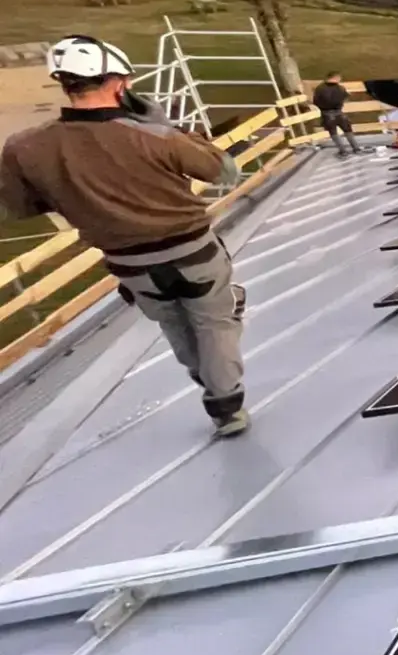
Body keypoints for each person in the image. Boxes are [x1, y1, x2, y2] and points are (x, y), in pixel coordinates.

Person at [0, 37, 251, 437]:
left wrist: (74, 192)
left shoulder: (24, 147)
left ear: (66, 83)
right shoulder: (154, 136)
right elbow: (224, 172)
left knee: (178, 331)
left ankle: (219, 396)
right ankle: (227, 406)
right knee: (214, 326)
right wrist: (168, 128)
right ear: (120, 84)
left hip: (132, 266)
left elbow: (19, 206)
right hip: (193, 253)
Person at [310, 71, 363, 155]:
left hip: (326, 113)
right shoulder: (340, 88)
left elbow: (315, 101)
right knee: (348, 130)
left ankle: (343, 151)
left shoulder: (319, 88)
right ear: (336, 78)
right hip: (339, 112)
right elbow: (346, 97)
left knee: (333, 133)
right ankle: (356, 148)